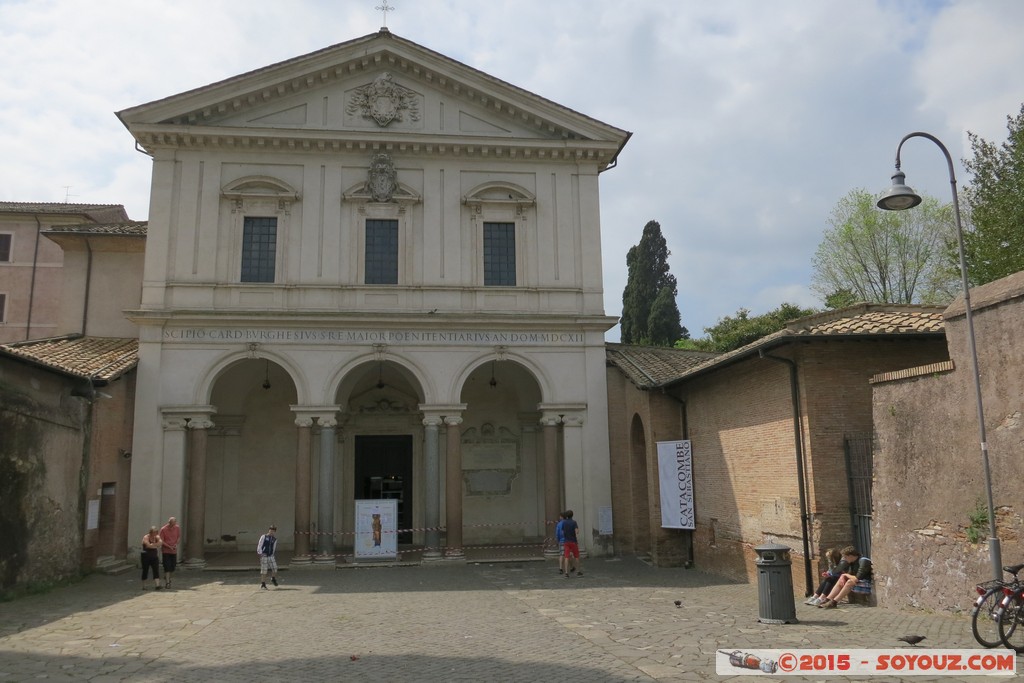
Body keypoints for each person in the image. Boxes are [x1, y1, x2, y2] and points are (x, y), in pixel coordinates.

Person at [159, 516, 181, 589]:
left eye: (174, 524)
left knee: (173, 566)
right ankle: (168, 583)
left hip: (173, 550)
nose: (173, 525)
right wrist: (169, 546)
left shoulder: (177, 528)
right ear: (169, 523)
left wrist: (176, 544)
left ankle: (167, 576)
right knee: (167, 567)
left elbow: (178, 537)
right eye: (171, 524)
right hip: (166, 551)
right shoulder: (163, 529)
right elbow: (161, 541)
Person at [257, 525, 280, 590]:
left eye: (273, 531)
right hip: (264, 555)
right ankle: (263, 584)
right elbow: (260, 544)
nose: (271, 532)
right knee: (264, 570)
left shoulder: (274, 539)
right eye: (271, 530)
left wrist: (272, 554)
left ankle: (273, 578)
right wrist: (260, 553)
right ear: (269, 530)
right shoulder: (264, 536)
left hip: (270, 555)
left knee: (275, 568)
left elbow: (274, 547)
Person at [562, 510, 582, 578]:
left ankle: (566, 573)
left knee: (566, 557)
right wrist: (576, 531)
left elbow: (562, 532)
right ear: (572, 515)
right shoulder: (574, 522)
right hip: (573, 541)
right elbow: (577, 531)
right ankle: (578, 571)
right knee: (576, 556)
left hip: (566, 542)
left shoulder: (564, 523)